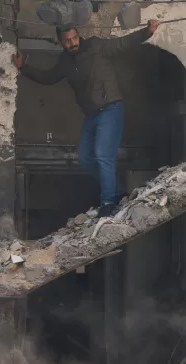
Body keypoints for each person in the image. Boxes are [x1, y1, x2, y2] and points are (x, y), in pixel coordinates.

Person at [13, 19, 161, 216]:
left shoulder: (95, 46)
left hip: (110, 108)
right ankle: (116, 190)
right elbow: (48, 78)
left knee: (102, 155)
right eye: (68, 41)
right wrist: (24, 67)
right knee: (85, 158)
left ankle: (108, 204)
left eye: (75, 38)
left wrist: (146, 32)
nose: (73, 43)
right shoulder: (65, 62)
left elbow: (121, 44)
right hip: (91, 115)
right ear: (61, 42)